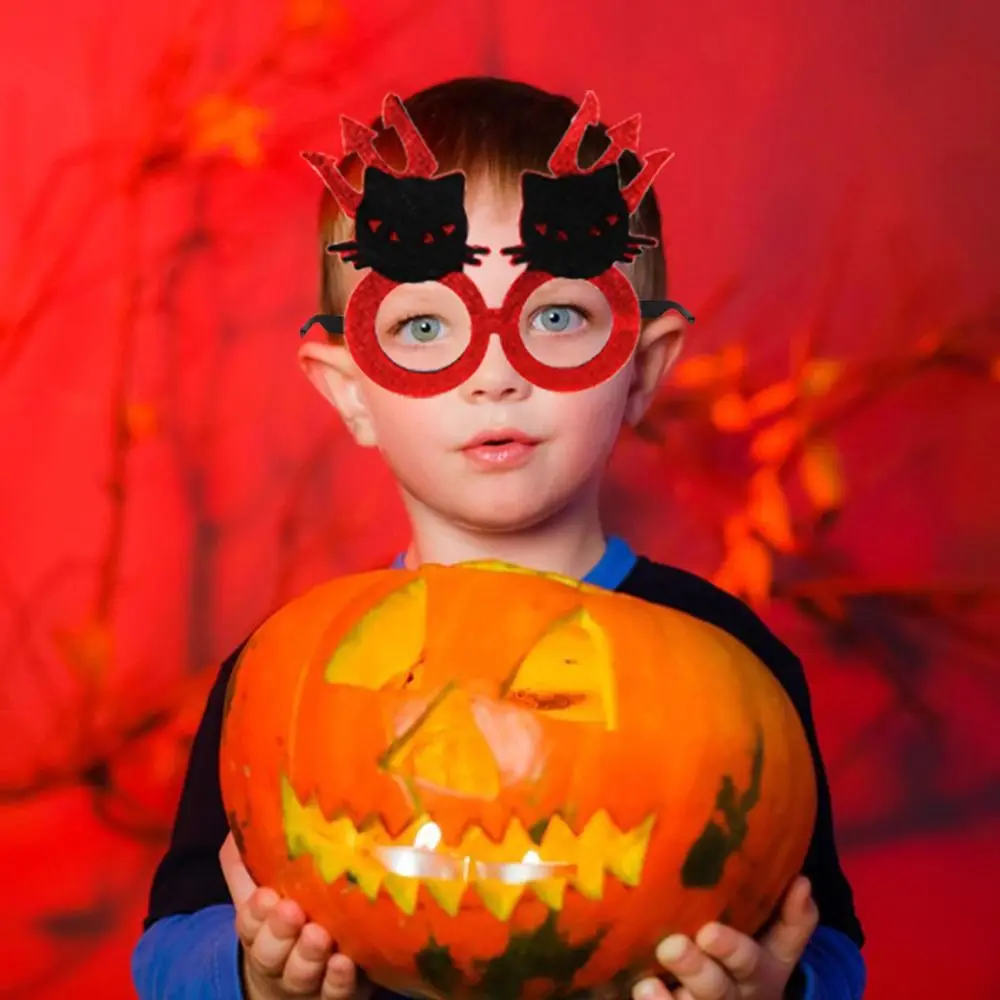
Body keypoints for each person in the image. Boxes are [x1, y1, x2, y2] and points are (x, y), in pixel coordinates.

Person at [131, 77, 865, 1000]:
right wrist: (250, 976)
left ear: (643, 370)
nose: (492, 373)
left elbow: (827, 938)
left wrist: (775, 986)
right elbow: (165, 950)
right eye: (425, 325)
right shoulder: (283, 671)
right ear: (350, 388)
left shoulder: (733, 657)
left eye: (556, 318)